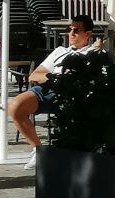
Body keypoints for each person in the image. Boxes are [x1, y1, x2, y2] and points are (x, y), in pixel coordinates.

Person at [12, 14, 99, 168]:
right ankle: (38, 151)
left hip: (75, 94)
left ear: (88, 34)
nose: (71, 33)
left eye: (76, 30)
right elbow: (34, 75)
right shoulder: (60, 51)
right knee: (15, 107)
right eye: (69, 29)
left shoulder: (94, 53)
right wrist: (54, 78)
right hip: (50, 88)